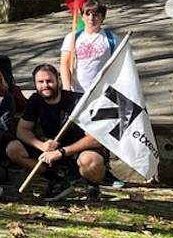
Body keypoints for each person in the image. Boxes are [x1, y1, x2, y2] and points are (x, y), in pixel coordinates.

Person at [6, 64, 108, 202]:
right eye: (40, 82)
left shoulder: (78, 101)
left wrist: (62, 152)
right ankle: (57, 181)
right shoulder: (35, 100)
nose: (45, 85)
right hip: (52, 148)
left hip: (80, 149)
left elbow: (95, 138)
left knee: (90, 161)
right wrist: (41, 145)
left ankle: (93, 188)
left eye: (49, 81)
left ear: (58, 81)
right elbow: (22, 130)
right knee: (13, 149)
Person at [61, 0, 119, 93]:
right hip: (78, 92)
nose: (91, 18)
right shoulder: (72, 38)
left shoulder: (113, 39)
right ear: (82, 16)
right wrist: (67, 89)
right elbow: (64, 64)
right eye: (87, 14)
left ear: (103, 17)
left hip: (103, 92)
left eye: (95, 15)